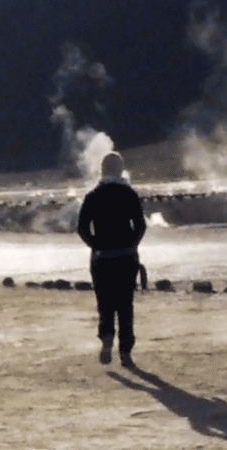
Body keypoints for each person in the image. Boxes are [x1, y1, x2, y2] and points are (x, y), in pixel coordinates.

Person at [76, 150, 146, 366]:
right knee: (125, 305)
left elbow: (81, 228)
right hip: (126, 258)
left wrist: (96, 245)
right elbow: (141, 226)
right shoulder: (130, 194)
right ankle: (125, 350)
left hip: (101, 259)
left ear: (102, 170)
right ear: (121, 169)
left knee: (105, 303)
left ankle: (107, 340)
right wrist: (131, 246)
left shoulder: (92, 196)